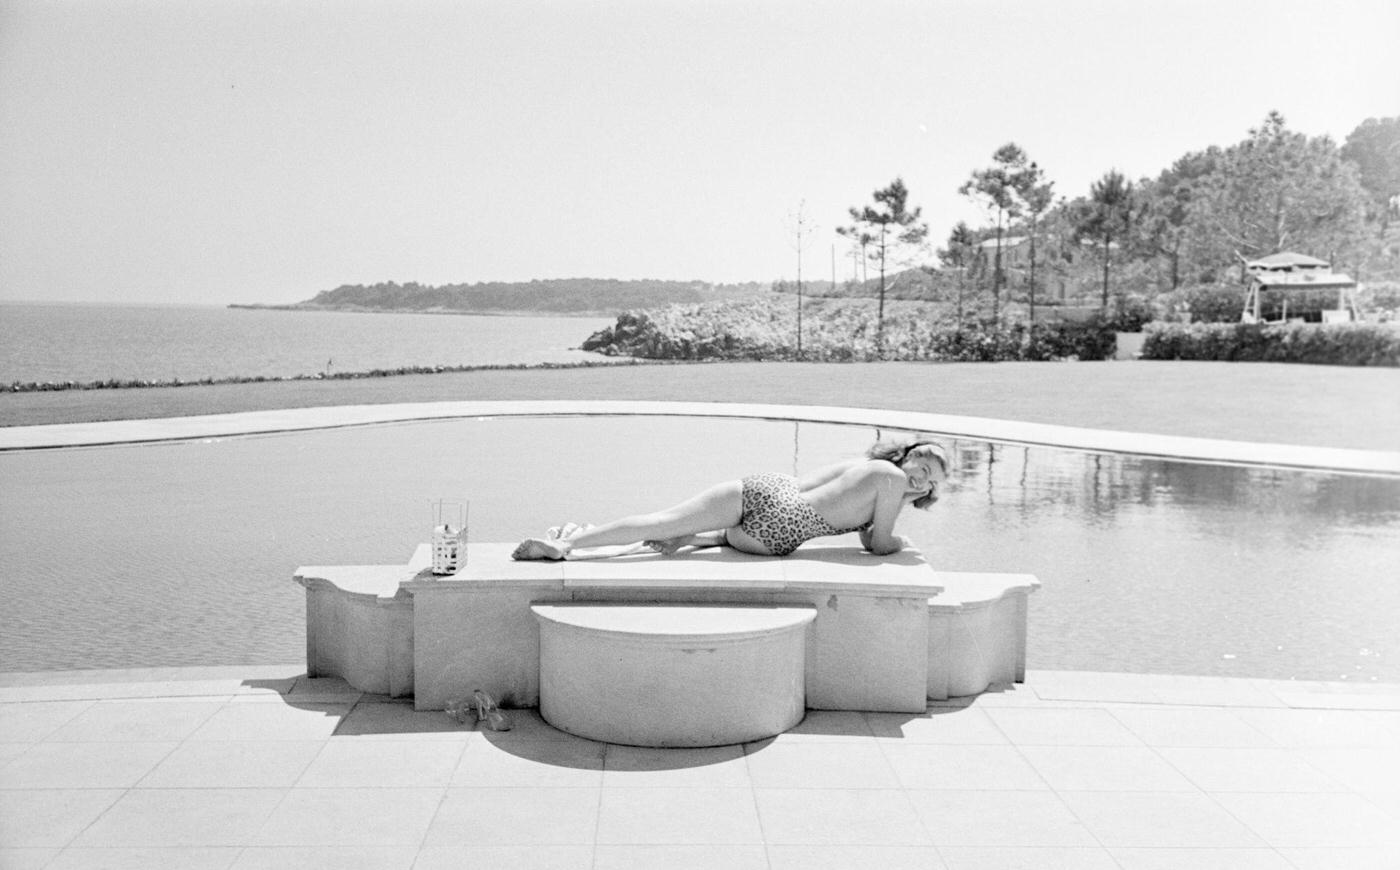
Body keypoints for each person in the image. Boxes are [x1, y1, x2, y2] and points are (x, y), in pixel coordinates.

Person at [511, 439, 949, 560]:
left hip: (766, 488)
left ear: (929, 489)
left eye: (929, 476)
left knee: (663, 519)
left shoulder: (864, 464)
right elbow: (877, 544)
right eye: (920, 463)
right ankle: (697, 538)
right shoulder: (890, 481)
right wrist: (902, 546)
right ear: (907, 460)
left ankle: (571, 544)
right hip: (777, 529)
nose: (919, 475)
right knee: (684, 527)